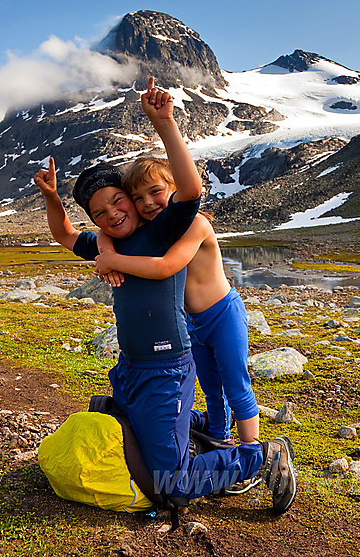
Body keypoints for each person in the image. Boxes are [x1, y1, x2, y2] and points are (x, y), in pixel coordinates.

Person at [33, 77, 296, 513]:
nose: (112, 213)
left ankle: (261, 457)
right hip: (133, 366)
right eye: (99, 212)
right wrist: (52, 197)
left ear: (133, 201)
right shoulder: (107, 242)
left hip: (167, 366)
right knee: (132, 425)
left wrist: (164, 122)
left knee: (169, 484)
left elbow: (190, 192)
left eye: (118, 201)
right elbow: (62, 233)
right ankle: (194, 430)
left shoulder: (161, 232)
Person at [94, 158, 261, 476]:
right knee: (211, 388)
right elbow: (101, 235)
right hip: (193, 325)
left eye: (155, 191)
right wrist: (106, 249)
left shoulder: (196, 224)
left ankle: (254, 451)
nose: (147, 203)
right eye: (138, 198)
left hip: (223, 315)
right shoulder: (156, 231)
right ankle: (220, 439)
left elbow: (166, 266)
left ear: (175, 188)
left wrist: (113, 260)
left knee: (236, 385)